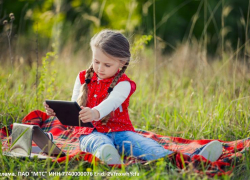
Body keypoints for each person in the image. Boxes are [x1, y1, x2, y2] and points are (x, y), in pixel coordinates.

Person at [43, 29, 223, 165]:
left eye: (107, 64)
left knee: (148, 148)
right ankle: (109, 157)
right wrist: (58, 111)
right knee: (98, 142)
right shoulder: (83, 77)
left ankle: (194, 158)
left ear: (121, 64)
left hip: (121, 131)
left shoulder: (124, 84)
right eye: (96, 61)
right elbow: (74, 105)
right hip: (89, 132)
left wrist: (95, 113)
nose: (99, 68)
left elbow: (111, 103)